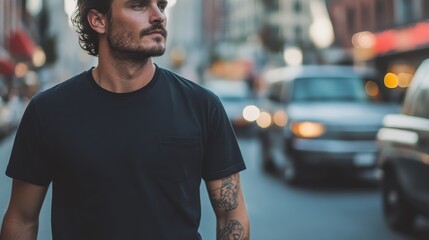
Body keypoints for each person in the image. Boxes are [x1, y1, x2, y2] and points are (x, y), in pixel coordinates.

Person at [0, 0, 250, 239]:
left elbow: (231, 216)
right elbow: (22, 219)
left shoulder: (202, 106)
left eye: (161, 5)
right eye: (139, 4)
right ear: (99, 20)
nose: (159, 15)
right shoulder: (47, 111)